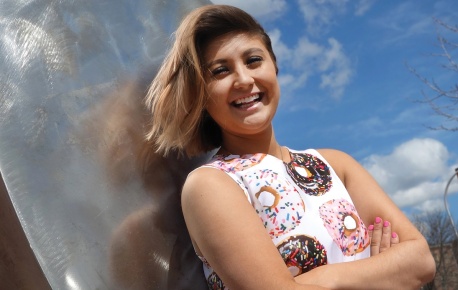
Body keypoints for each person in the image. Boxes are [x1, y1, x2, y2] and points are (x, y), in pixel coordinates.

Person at [145, 4, 435, 289]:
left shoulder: (335, 164)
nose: (244, 80)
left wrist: (322, 279)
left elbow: (421, 259)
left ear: (274, 67)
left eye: (254, 60)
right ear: (202, 96)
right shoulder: (211, 184)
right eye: (220, 71)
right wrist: (383, 273)